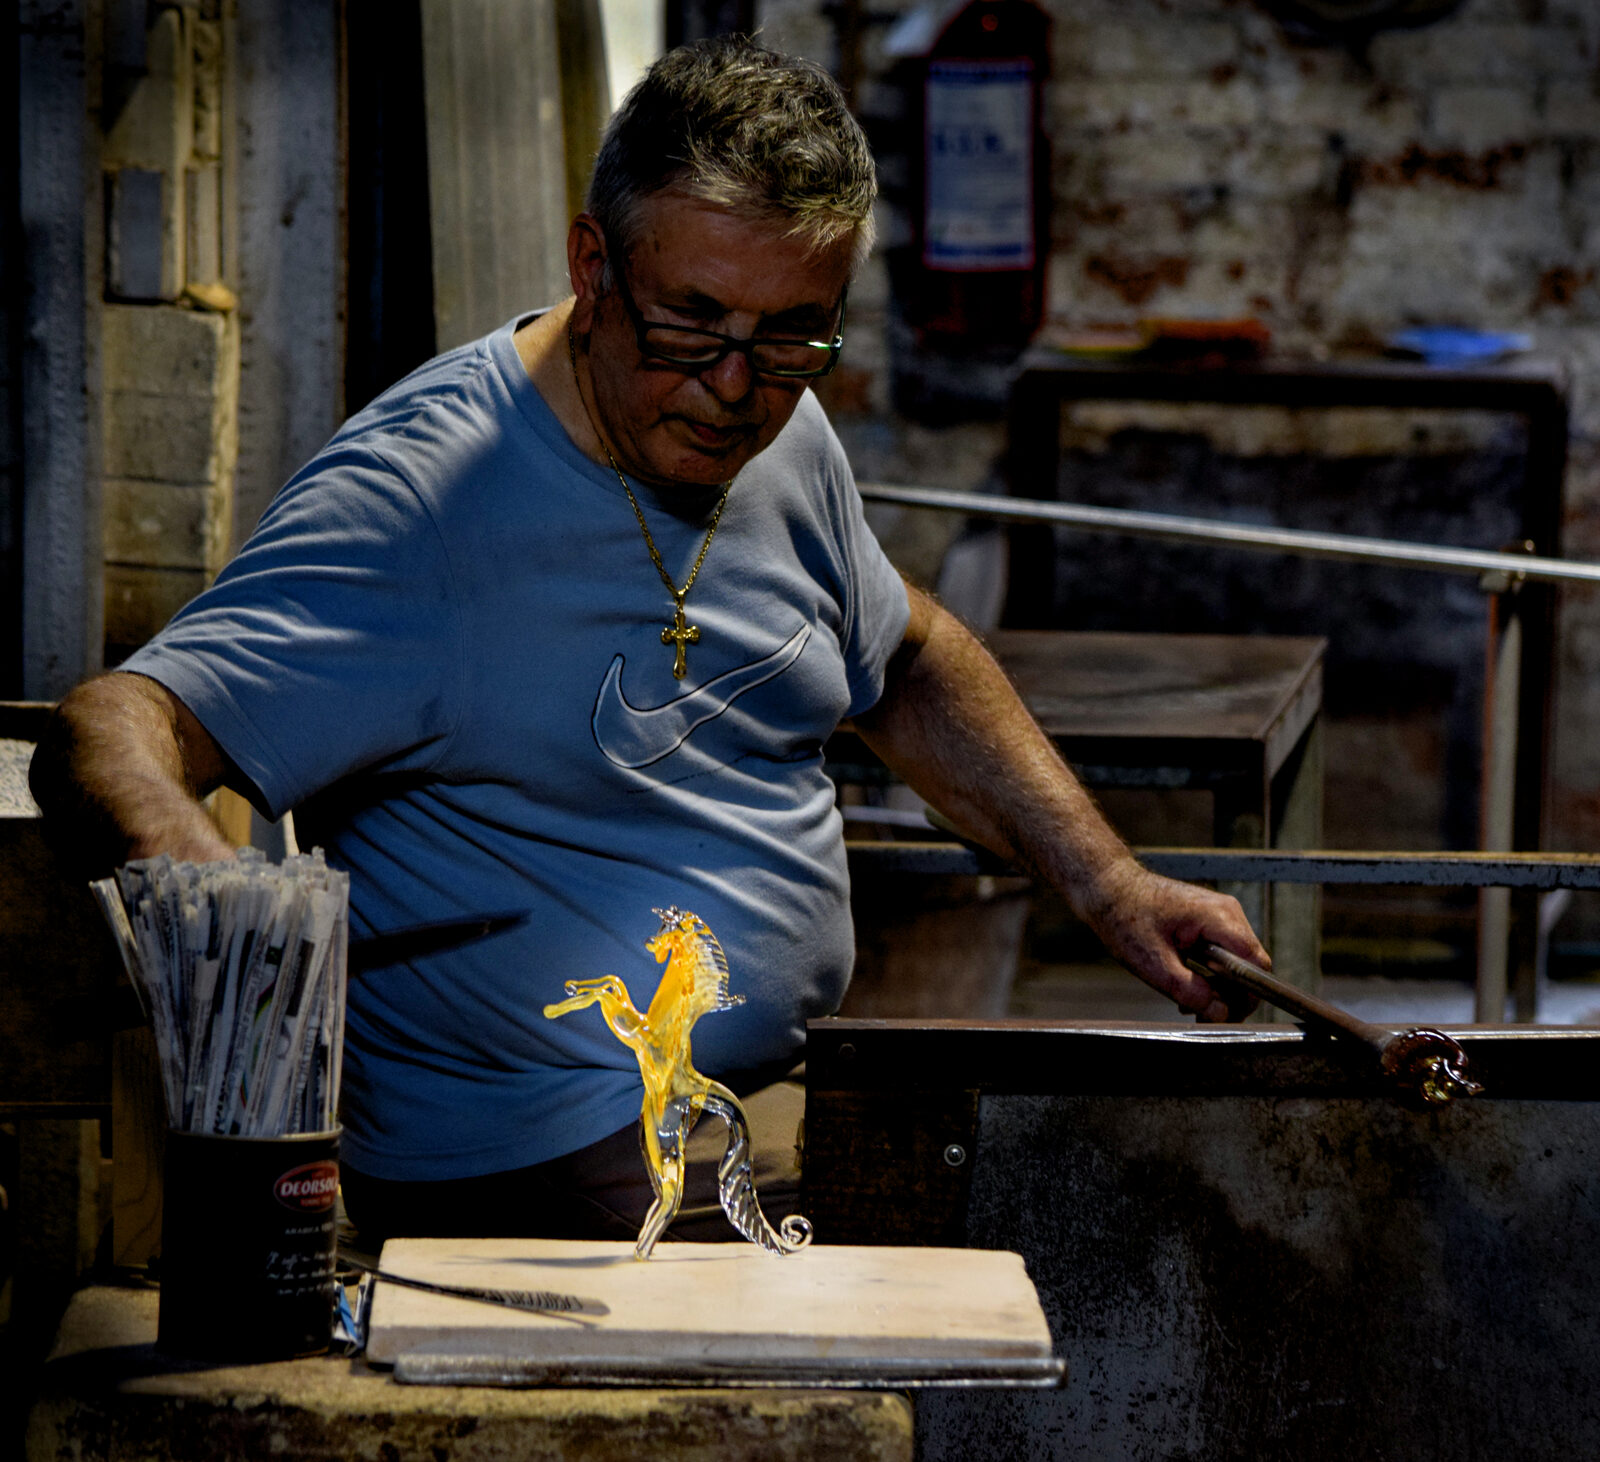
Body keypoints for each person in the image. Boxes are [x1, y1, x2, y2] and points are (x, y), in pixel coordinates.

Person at [30, 36, 1267, 1245]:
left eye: (792, 333)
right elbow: (112, 726)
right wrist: (235, 921)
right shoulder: (423, 504)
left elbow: (904, 654)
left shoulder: (777, 423)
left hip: (745, 1117)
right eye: (692, 322)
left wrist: (1110, 885)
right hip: (524, 1184)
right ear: (593, 265)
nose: (734, 384)